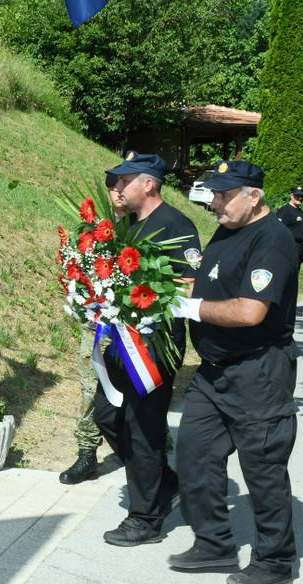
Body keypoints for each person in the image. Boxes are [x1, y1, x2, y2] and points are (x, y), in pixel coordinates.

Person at [168, 161, 299, 584]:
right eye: (214, 194)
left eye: (223, 195)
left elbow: (249, 311)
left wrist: (190, 308)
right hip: (214, 373)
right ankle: (214, 546)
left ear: (253, 196)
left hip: (258, 370)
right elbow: (212, 284)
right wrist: (165, 293)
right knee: (193, 454)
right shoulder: (228, 229)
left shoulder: (272, 240)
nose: (214, 202)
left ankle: (275, 563)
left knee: (262, 470)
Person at [93, 152, 201, 546]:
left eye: (125, 181)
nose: (117, 188)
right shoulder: (128, 227)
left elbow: (191, 285)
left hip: (155, 345)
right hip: (122, 341)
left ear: (149, 184)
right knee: (107, 415)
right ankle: (163, 481)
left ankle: (145, 519)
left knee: (143, 429)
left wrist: (144, 301)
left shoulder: (176, 225)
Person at [60, 174, 125, 485]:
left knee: (141, 385)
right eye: (112, 186)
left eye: (122, 185)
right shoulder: (92, 232)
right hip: (97, 325)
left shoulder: (145, 228)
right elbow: (77, 271)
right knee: (89, 385)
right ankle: (87, 453)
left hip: (134, 329)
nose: (116, 191)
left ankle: (151, 448)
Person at [276, 186, 303, 265]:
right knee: (289, 273)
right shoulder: (285, 210)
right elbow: (278, 230)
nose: (300, 198)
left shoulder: (299, 211)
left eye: (302, 196)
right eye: (297, 196)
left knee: (295, 273)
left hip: (300, 247)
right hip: (290, 247)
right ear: (291, 196)